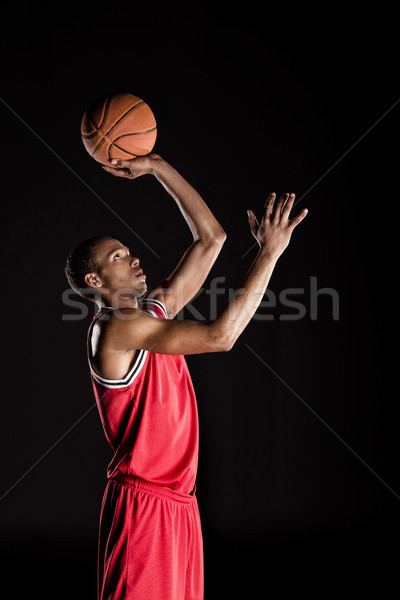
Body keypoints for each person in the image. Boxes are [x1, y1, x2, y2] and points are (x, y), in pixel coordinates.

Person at [64, 154, 308, 600]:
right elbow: (221, 336)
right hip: (143, 508)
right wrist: (270, 254)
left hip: (179, 506)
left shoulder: (151, 313)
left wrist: (157, 166)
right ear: (95, 278)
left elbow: (211, 239)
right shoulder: (113, 328)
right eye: (119, 256)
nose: (134, 257)